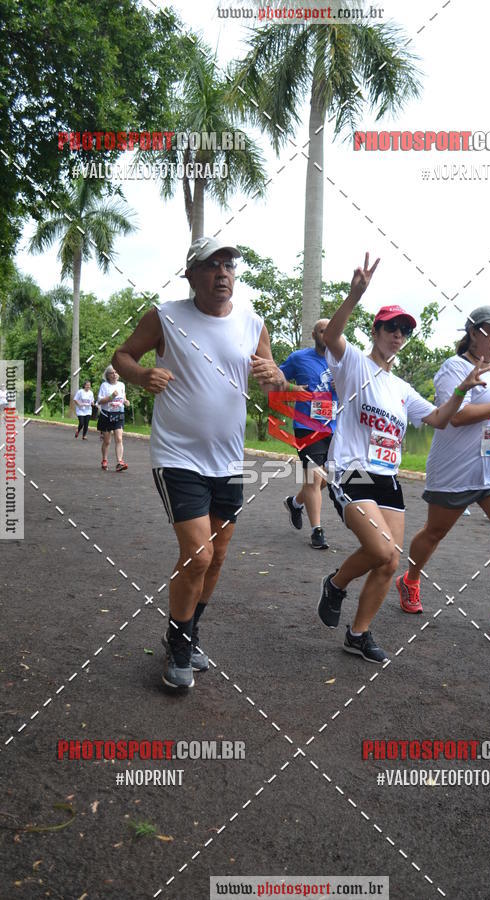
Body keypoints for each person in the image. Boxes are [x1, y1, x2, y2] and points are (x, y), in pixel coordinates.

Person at [112, 236, 286, 689]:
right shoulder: (167, 317)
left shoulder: (252, 324)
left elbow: (274, 380)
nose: (223, 272)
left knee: (218, 555)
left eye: (229, 264)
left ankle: (185, 632)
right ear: (191, 275)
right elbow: (122, 355)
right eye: (212, 265)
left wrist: (276, 375)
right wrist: (141, 374)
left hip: (229, 459)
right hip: (177, 454)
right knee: (198, 553)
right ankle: (181, 645)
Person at [318, 254, 490, 663]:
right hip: (353, 470)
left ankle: (358, 634)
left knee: (390, 561)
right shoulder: (354, 363)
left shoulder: (401, 388)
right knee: (379, 549)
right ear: (376, 331)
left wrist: (463, 390)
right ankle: (336, 583)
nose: (398, 335)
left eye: (404, 331)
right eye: (391, 328)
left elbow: (439, 419)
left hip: (387, 478)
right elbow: (331, 336)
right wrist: (354, 294)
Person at [397, 305, 490, 632]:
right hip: (456, 469)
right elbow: (454, 417)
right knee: (434, 532)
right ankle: (410, 579)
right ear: (473, 333)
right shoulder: (453, 368)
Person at [279, 320, 338, 549]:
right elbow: (277, 379)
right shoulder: (298, 358)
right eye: (323, 331)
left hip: (334, 426)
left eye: (331, 331)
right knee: (313, 477)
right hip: (307, 426)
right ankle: (317, 531)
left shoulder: (343, 360)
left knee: (328, 477)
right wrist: (293, 389)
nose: (326, 335)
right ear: (314, 334)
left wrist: (341, 384)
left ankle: (295, 503)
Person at [96, 366, 130, 471]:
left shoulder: (121, 385)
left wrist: (126, 401)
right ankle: (104, 460)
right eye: (111, 373)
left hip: (119, 414)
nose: (114, 374)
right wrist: (111, 397)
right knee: (107, 441)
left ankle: (120, 462)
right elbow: (100, 401)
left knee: (119, 438)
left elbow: (123, 398)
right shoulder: (104, 386)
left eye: (116, 372)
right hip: (106, 415)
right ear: (107, 375)